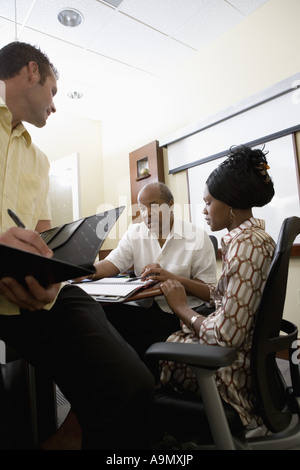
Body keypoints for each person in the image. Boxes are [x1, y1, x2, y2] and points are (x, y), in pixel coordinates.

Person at [0, 41, 154, 450]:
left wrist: (52, 272)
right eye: (53, 92)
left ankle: (72, 433)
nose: (54, 106)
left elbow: (46, 239)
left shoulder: (40, 162)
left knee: (130, 384)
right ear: (32, 71)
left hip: (31, 296)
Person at [158, 146, 276, 428]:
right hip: (249, 361)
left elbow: (224, 334)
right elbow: (222, 294)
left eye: (208, 202)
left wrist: (180, 307)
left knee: (145, 353)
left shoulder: (246, 246)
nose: (204, 210)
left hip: (231, 374)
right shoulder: (255, 238)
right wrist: (175, 278)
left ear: (231, 205)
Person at [92, 181, 217, 359]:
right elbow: (113, 263)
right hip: (144, 307)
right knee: (100, 314)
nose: (147, 214)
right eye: (142, 208)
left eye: (154, 206)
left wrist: (171, 278)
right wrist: (84, 272)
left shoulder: (196, 236)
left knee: (126, 334)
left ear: (171, 205)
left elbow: (209, 291)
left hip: (180, 312)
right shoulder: (134, 233)